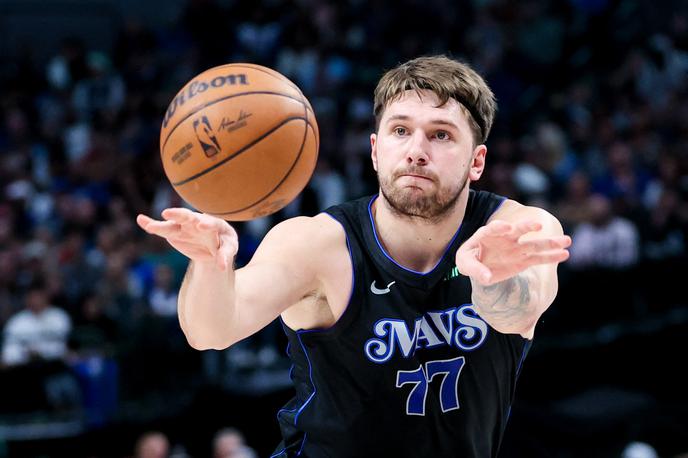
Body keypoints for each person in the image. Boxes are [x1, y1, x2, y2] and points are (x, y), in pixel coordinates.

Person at [137, 55, 571, 457]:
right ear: (375, 149)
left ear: (476, 162)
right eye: (400, 130)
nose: (416, 150)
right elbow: (211, 331)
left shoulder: (516, 230)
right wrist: (210, 264)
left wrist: (492, 278)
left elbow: (517, 314)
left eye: (441, 135)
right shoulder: (316, 245)